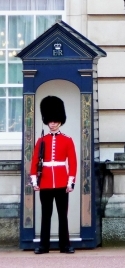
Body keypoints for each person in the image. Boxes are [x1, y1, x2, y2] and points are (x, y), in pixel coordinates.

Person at [30, 96, 77, 254]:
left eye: (55, 121)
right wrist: (34, 180)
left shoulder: (67, 140)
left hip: (62, 182)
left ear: (60, 122)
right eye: (50, 121)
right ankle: (44, 246)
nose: (53, 123)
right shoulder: (41, 140)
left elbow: (73, 162)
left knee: (63, 215)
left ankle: (65, 245)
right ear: (47, 121)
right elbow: (35, 161)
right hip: (45, 182)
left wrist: (71, 182)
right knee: (46, 215)